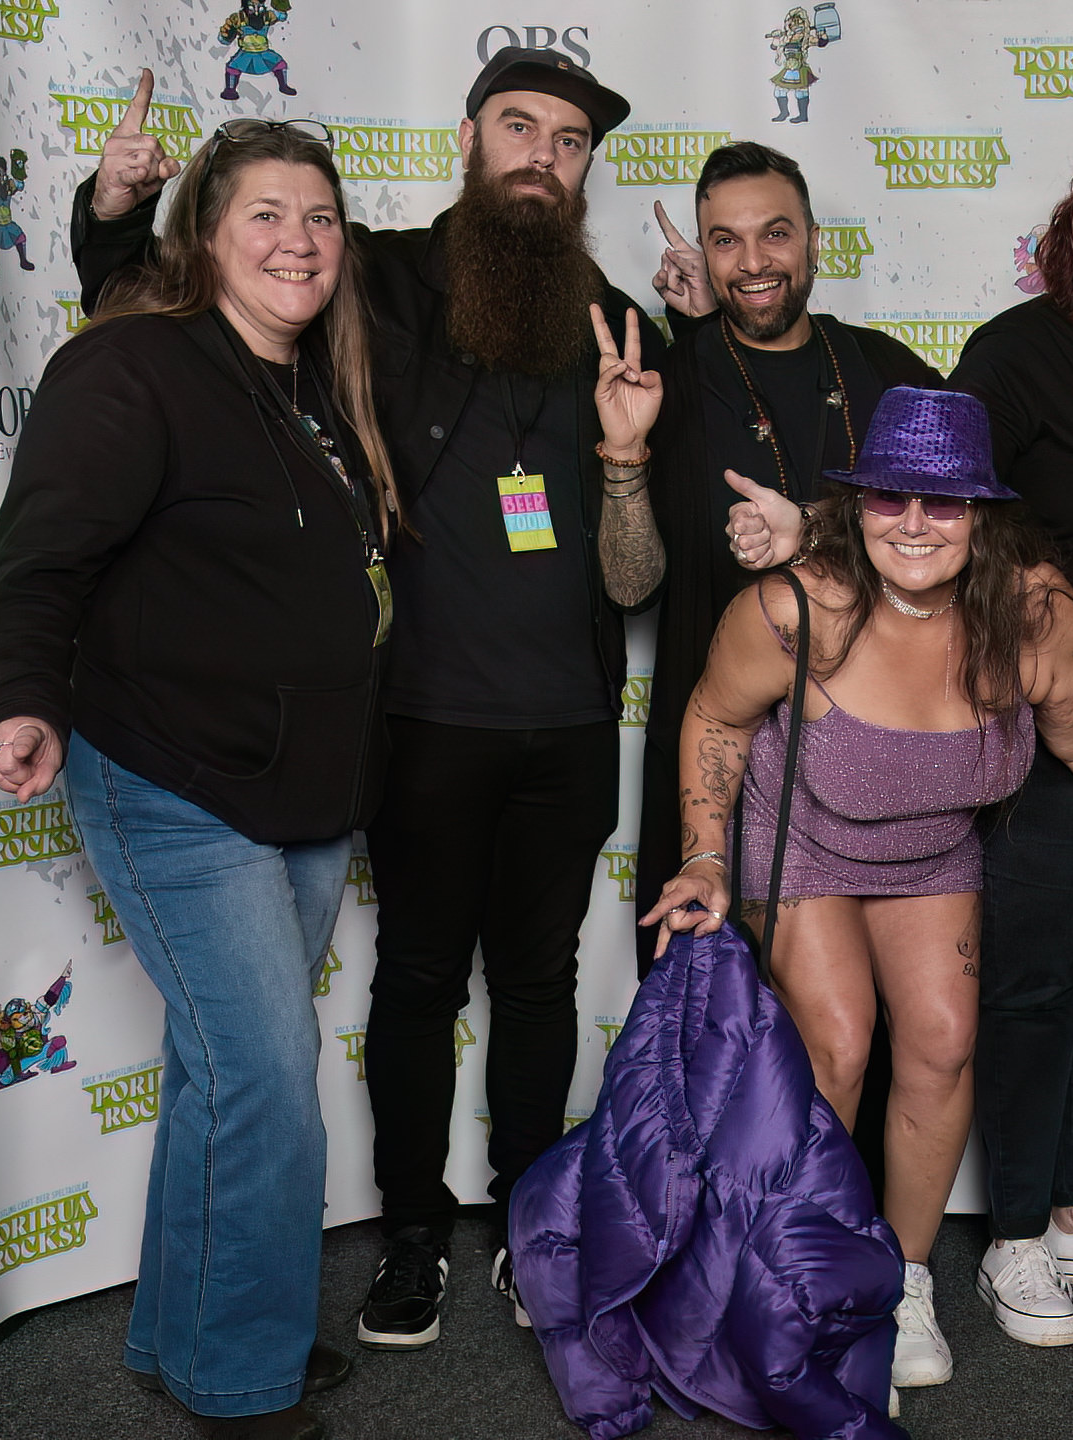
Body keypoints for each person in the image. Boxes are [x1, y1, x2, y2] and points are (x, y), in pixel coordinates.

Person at [70, 50, 668, 1351]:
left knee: (544, 981)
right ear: (469, 136)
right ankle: (411, 1233)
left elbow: (639, 574)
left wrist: (637, 445)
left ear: (585, 170)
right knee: (417, 981)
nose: (542, 155)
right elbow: (174, 318)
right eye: (519, 126)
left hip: (570, 724)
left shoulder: (619, 325)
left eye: (569, 140)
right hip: (418, 719)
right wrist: (115, 215)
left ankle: (530, 1220)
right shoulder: (371, 279)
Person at [721, 133, 1073, 1351]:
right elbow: (924, 494)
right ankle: (1012, 1235)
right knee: (1026, 987)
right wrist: (811, 532)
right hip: (1049, 715)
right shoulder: (1020, 354)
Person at [642, 387, 1073, 1394]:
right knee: (840, 1044)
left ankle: (900, 1277)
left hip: (933, 851)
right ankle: (803, 1277)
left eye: (942, 502)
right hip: (802, 840)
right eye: (889, 498)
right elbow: (716, 719)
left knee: (941, 1045)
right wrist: (707, 855)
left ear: (982, 513)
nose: (914, 524)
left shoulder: (1034, 614)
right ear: (856, 506)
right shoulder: (792, 608)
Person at [0, 119, 402, 1440]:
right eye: (265, 213)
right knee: (261, 1074)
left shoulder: (315, 382)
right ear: (203, 235)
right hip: (173, 779)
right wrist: (22, 696)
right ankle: (237, 1378)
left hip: (305, 791)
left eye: (320, 217)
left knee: (222, 1073)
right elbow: (39, 560)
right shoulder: (132, 366)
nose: (299, 241)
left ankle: (193, 1329)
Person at [636, 141, 942, 970]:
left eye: (774, 233)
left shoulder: (885, 370)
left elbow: (965, 526)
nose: (752, 262)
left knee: (866, 1024)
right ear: (704, 255)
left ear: (813, 240)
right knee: (711, 1010)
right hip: (716, 760)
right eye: (725, 240)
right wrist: (624, 457)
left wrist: (811, 527)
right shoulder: (668, 380)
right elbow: (629, 586)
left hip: (878, 753)